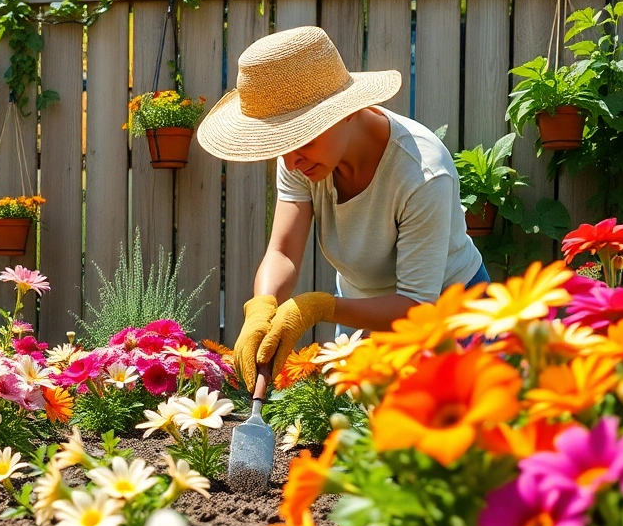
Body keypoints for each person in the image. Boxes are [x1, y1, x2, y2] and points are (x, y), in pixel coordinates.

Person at [197, 26, 489, 387]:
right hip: (365, 313)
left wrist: (320, 307)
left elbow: (416, 305)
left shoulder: (422, 174)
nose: (289, 160)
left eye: (300, 136)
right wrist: (262, 305)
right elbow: (283, 251)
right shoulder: (303, 157)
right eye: (280, 143)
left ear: (345, 111)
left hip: (450, 317)